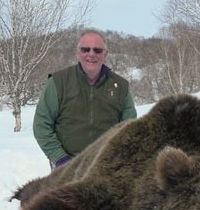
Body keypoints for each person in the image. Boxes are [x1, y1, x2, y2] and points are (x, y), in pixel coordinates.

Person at [33, 29, 137, 169]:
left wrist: (119, 158)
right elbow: (42, 125)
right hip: (66, 166)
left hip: (107, 166)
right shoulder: (58, 82)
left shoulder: (121, 86)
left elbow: (130, 129)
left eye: (97, 50)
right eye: (85, 49)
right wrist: (60, 159)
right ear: (78, 52)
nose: (91, 54)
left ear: (105, 54)